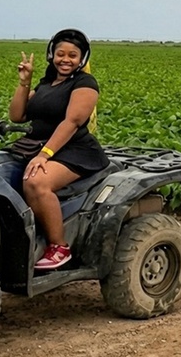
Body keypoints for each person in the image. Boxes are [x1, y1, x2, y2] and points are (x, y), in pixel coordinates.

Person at [8, 29, 110, 270]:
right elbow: (17, 115)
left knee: (36, 181)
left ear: (82, 59)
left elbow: (71, 122)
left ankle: (59, 247)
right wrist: (24, 82)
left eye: (73, 55)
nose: (65, 59)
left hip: (76, 150)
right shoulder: (46, 84)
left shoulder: (85, 83)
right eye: (60, 53)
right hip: (40, 145)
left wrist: (45, 155)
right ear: (51, 55)